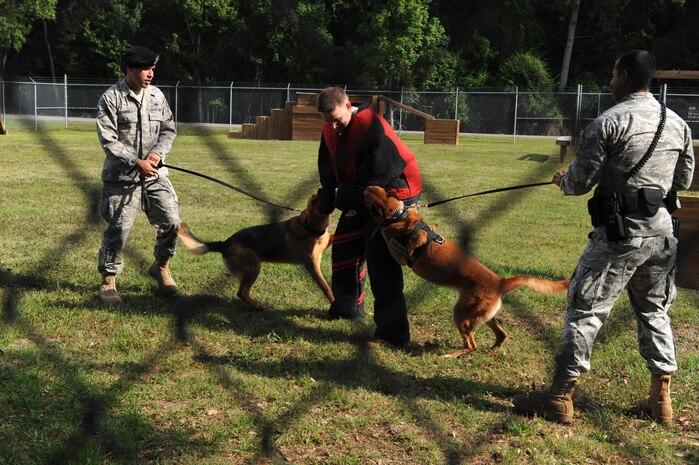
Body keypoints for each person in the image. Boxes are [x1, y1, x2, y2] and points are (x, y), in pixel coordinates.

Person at [513, 50, 694, 425]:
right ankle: (661, 400)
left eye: (613, 75)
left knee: (585, 309)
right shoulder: (677, 123)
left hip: (618, 236)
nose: (610, 82)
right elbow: (684, 180)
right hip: (661, 235)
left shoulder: (608, 123)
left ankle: (560, 397)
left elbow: (579, 182)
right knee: (655, 310)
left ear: (625, 76)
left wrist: (563, 180)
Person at [316, 87, 422, 347]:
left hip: (391, 193)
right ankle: (347, 307)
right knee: (344, 248)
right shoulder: (329, 128)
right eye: (327, 120)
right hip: (358, 193)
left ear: (348, 105)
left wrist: (346, 197)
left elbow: (382, 172)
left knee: (381, 263)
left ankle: (393, 334)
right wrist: (328, 196)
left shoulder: (372, 125)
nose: (333, 126)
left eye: (337, 120)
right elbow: (327, 164)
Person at [96, 45, 180, 304]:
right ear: (130, 69)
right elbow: (108, 139)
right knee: (118, 230)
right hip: (122, 178)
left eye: (153, 68)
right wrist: (136, 162)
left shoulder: (156, 96)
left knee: (172, 222)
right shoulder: (111, 98)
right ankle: (109, 280)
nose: (151, 74)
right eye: (146, 68)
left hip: (155, 173)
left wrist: (156, 154)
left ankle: (161, 266)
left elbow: (168, 129)